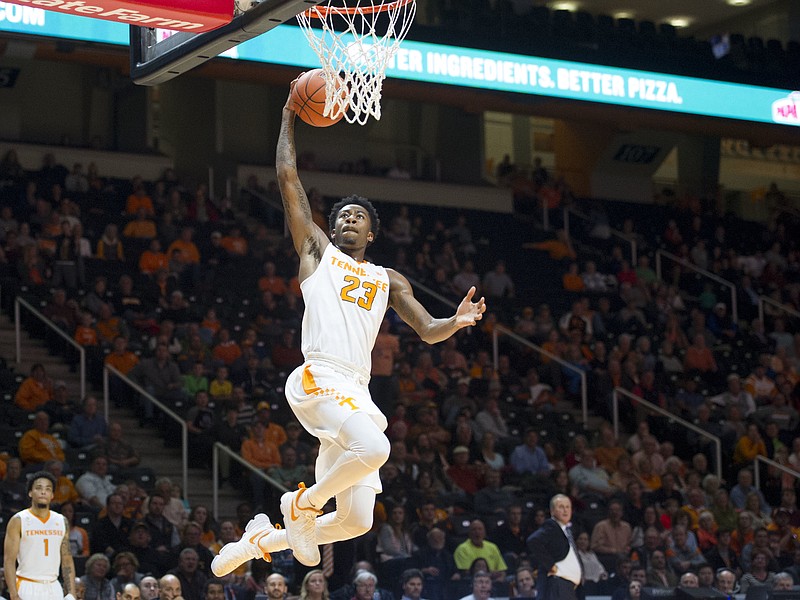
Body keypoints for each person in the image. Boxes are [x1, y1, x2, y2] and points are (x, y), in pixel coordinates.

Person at [212, 83, 486, 573]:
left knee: (357, 520)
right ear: (333, 229)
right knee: (376, 448)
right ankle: (300, 505)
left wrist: (456, 322)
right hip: (320, 377)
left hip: (355, 391)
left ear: (372, 233)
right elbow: (287, 176)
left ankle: (258, 541)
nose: (349, 219)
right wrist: (288, 115)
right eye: (342, 216)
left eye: (358, 216)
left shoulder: (389, 279)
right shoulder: (318, 253)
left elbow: (426, 330)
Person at [3, 471, 77, 600]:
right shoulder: (19, 520)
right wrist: (14, 594)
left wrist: (72, 593)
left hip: (54, 587)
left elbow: (67, 560)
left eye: (48, 489)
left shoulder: (61, 521)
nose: (43, 492)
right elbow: (9, 561)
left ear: (52, 495)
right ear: (30, 493)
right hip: (27, 585)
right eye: (38, 488)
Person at [526, 494, 582, 600]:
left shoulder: (566, 530)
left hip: (568, 586)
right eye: (561, 507)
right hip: (557, 583)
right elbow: (533, 541)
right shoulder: (551, 525)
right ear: (552, 511)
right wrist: (550, 565)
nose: (565, 510)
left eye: (567, 507)